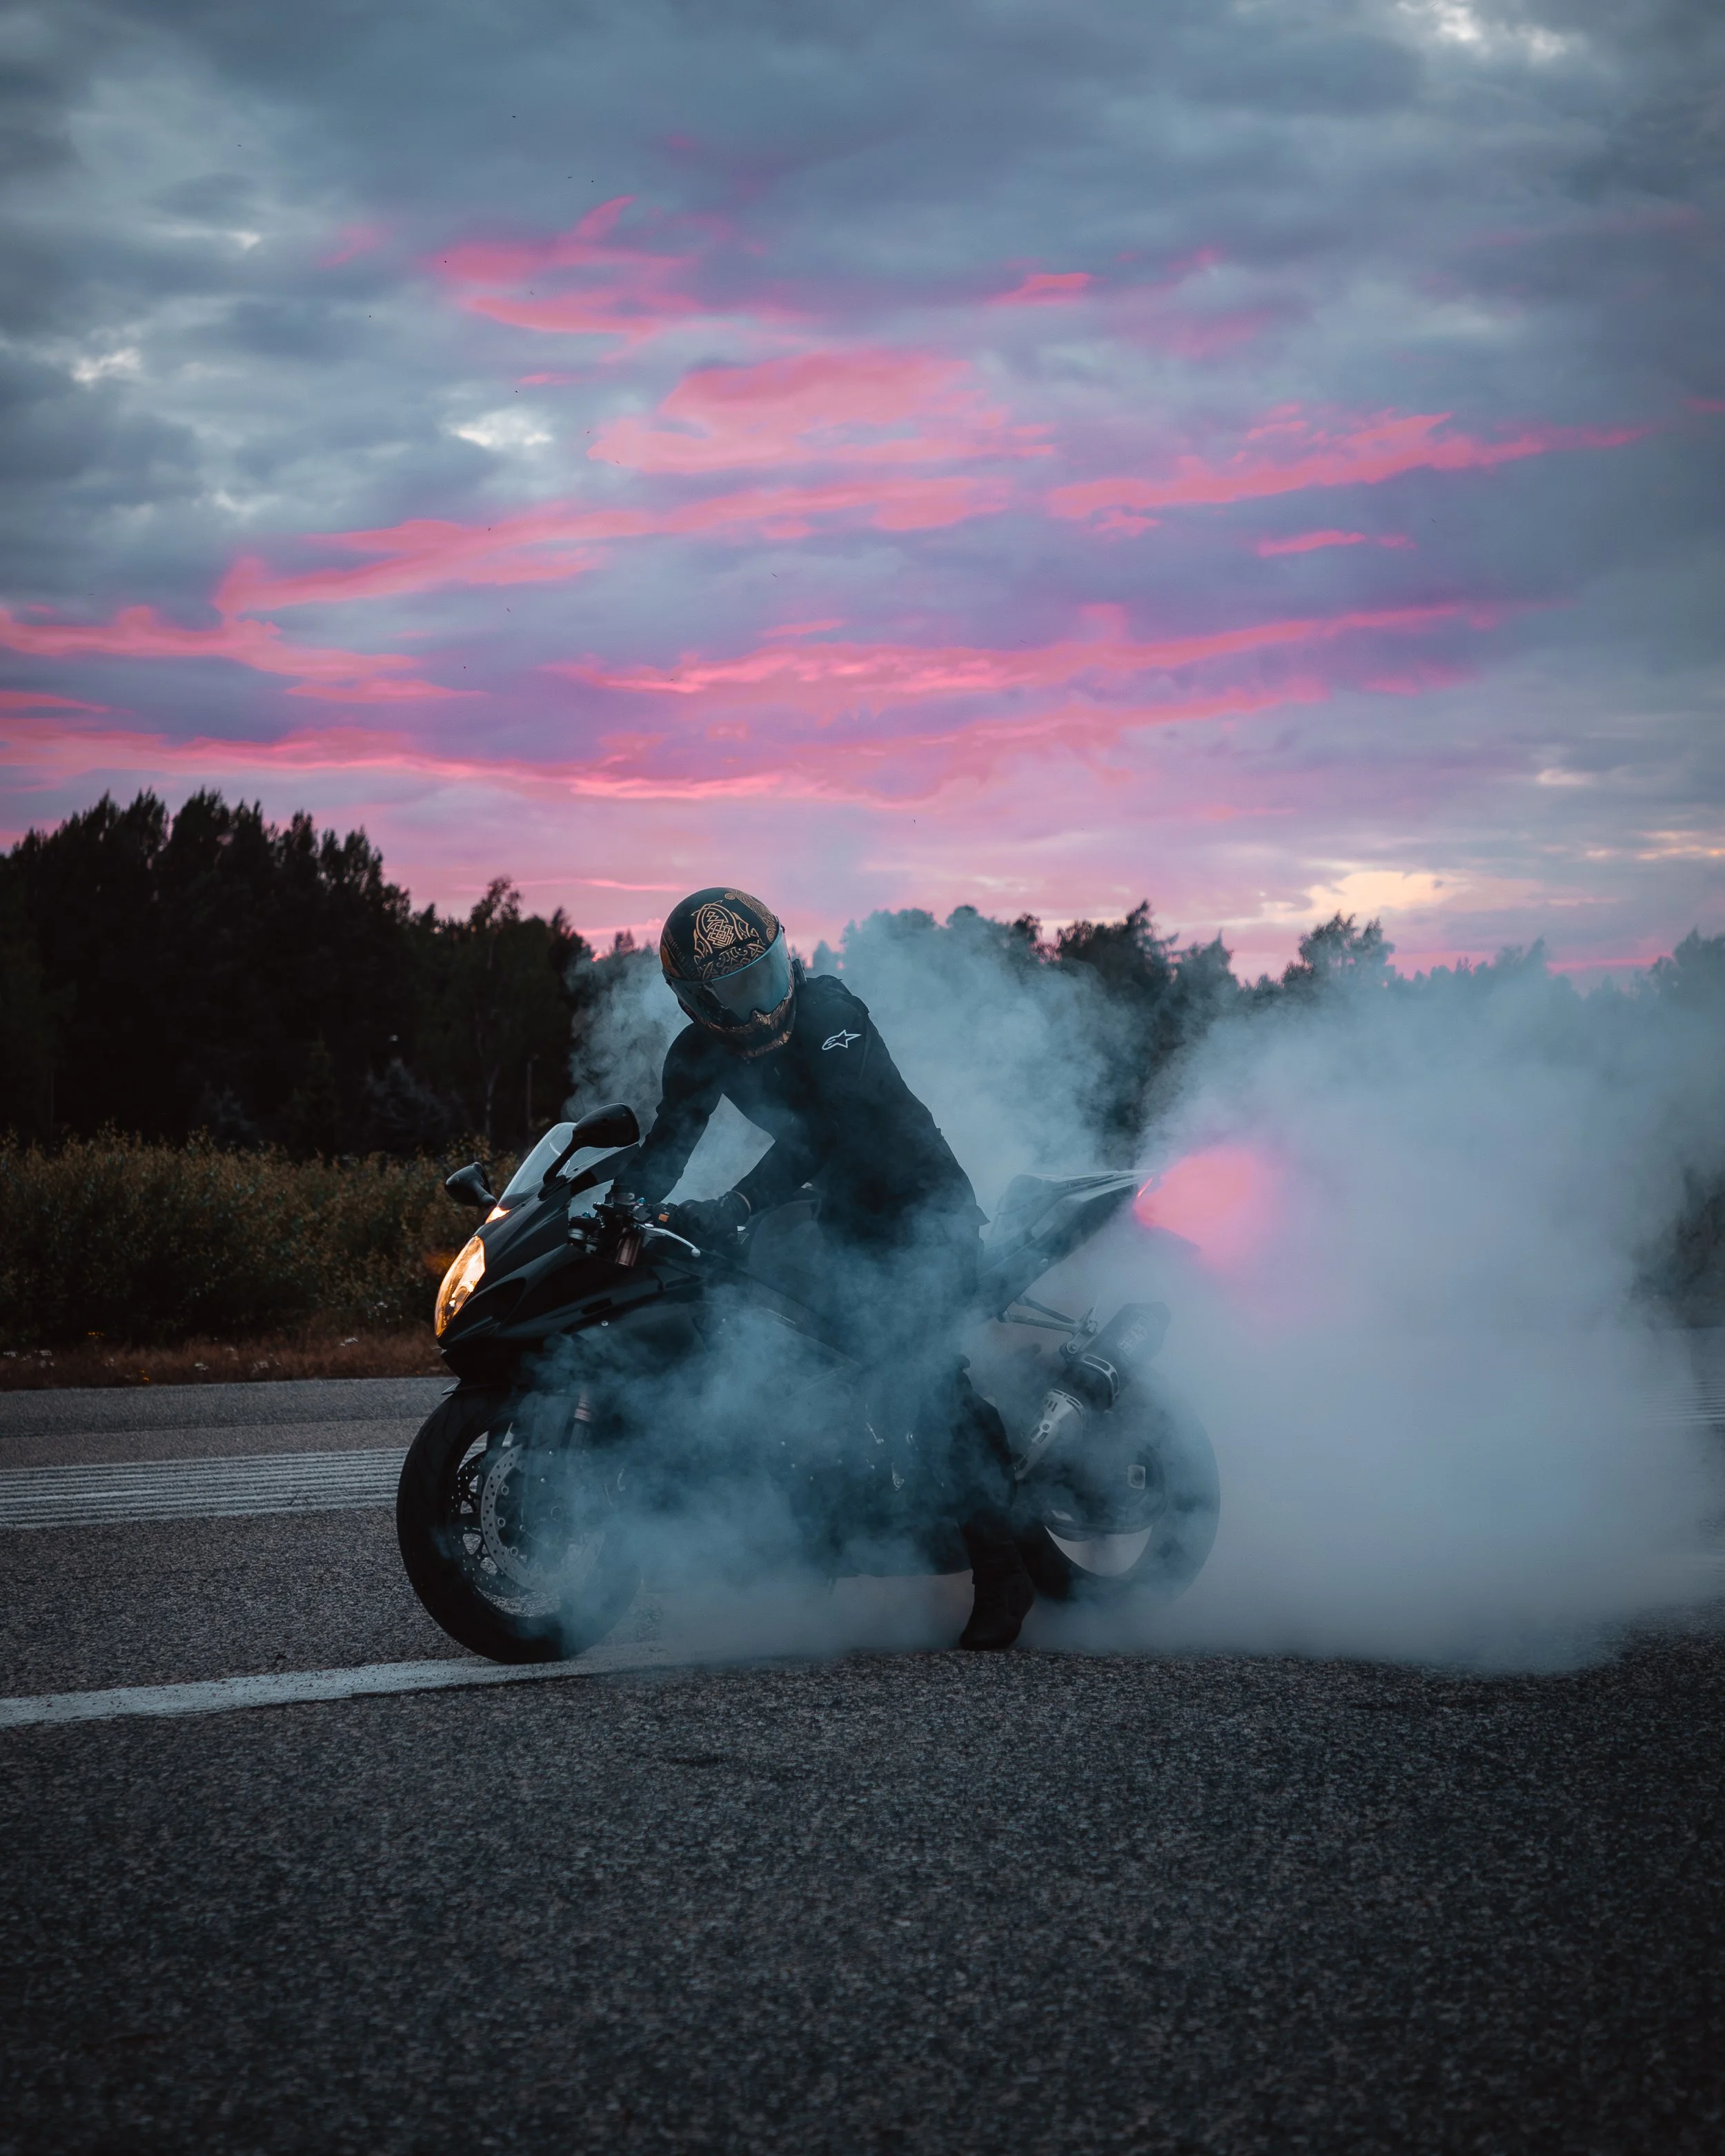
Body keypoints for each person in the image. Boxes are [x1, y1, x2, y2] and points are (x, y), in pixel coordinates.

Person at [620, 886, 1036, 1651]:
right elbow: (666, 1149)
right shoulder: (700, 1054)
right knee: (774, 1341)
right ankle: (814, 1521)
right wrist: (616, 1202)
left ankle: (1004, 1568)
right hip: (841, 1224)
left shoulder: (830, 1016)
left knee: (919, 1379)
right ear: (696, 1002)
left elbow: (822, 1138)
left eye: (767, 973)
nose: (761, 1000)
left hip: (924, 1213)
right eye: (738, 989)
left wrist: (737, 1203)